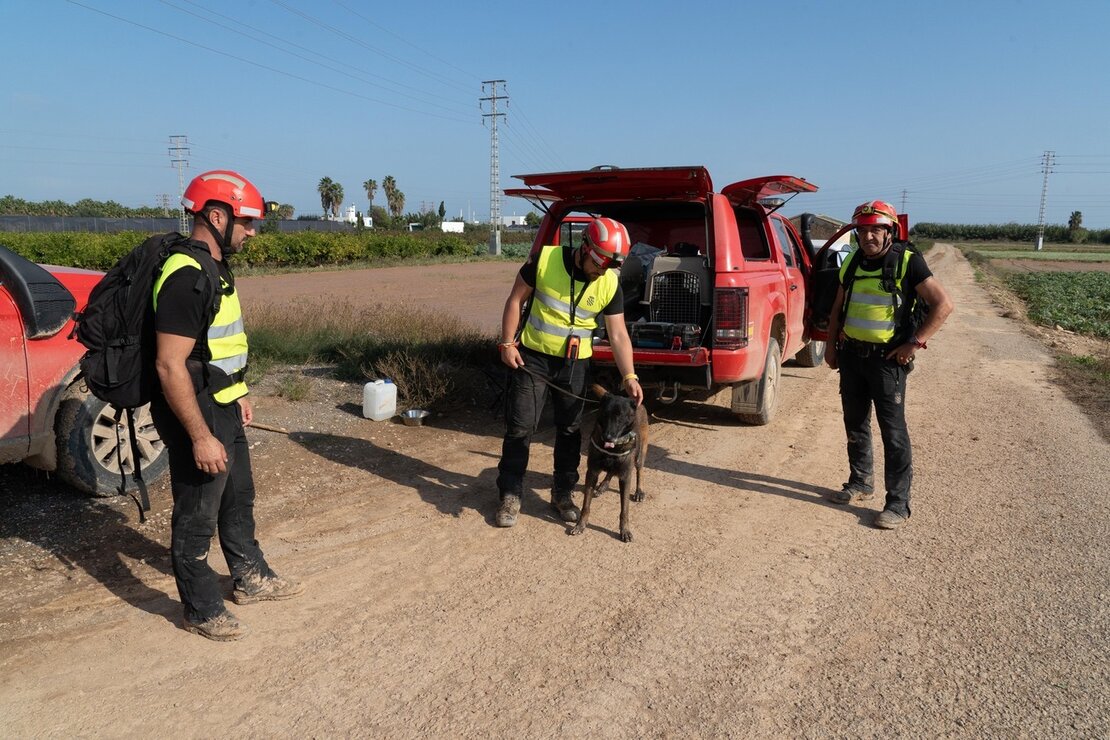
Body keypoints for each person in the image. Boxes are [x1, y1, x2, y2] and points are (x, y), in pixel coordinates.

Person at [151, 170, 302, 641]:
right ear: (217, 215)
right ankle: (199, 607)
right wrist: (200, 436)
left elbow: (217, 347)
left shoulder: (214, 267)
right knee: (197, 511)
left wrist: (240, 393)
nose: (253, 233)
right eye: (248, 223)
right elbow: (170, 366)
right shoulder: (187, 275)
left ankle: (250, 577)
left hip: (224, 402)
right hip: (196, 409)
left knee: (237, 496)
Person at [495, 217, 644, 528]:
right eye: (598, 263)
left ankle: (562, 494)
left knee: (569, 431)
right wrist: (508, 342)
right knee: (521, 428)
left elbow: (617, 334)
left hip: (575, 365)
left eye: (608, 267)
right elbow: (515, 300)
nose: (601, 271)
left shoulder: (608, 281)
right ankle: (510, 494)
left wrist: (630, 376)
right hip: (532, 359)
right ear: (584, 247)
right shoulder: (545, 260)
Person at [823, 200, 954, 530]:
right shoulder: (853, 261)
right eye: (863, 230)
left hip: (887, 362)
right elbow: (838, 305)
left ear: (889, 232)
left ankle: (897, 503)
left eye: (875, 230)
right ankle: (860, 481)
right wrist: (830, 344)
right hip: (852, 355)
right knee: (854, 422)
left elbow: (943, 304)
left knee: (893, 433)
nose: (868, 236)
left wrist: (915, 343)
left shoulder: (908, 261)